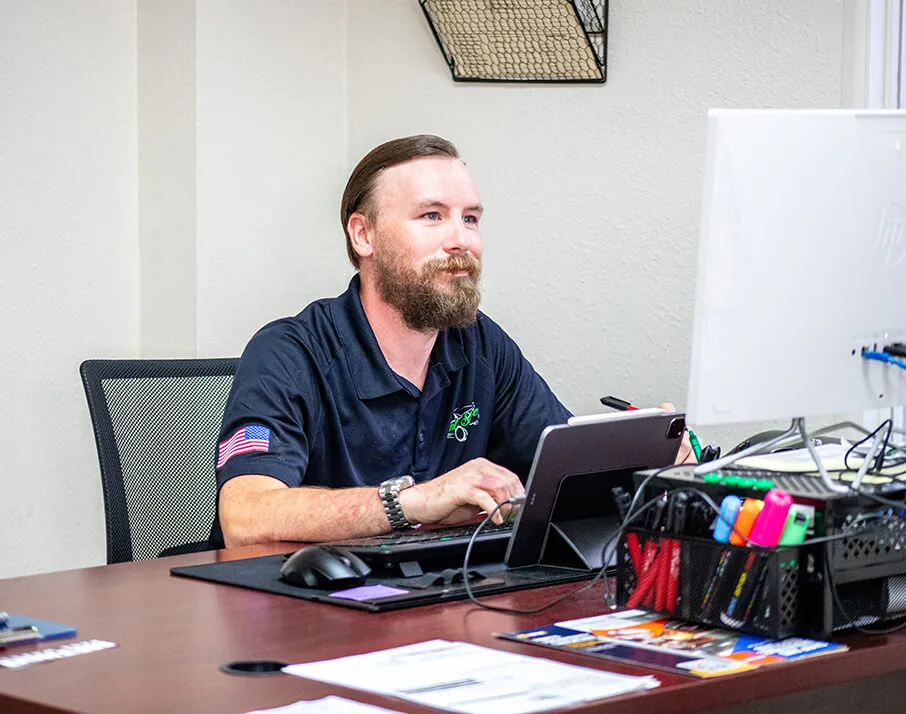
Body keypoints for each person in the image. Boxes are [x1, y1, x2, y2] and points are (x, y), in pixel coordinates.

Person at [212, 134, 692, 548]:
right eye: (431, 216)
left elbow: (562, 479)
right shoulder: (289, 354)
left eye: (470, 219)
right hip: (304, 619)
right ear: (363, 235)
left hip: (437, 604)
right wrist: (414, 503)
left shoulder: (481, 345)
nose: (461, 240)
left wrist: (642, 459)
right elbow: (245, 517)